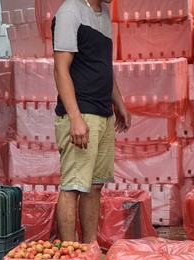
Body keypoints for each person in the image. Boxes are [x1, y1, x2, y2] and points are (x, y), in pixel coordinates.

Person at [52, 0, 131, 243]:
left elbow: (103, 66)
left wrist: (118, 103)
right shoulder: (69, 13)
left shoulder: (104, 13)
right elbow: (60, 68)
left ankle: (90, 247)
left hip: (102, 113)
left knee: (95, 186)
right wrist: (75, 117)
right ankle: (69, 252)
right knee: (73, 185)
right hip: (81, 112)